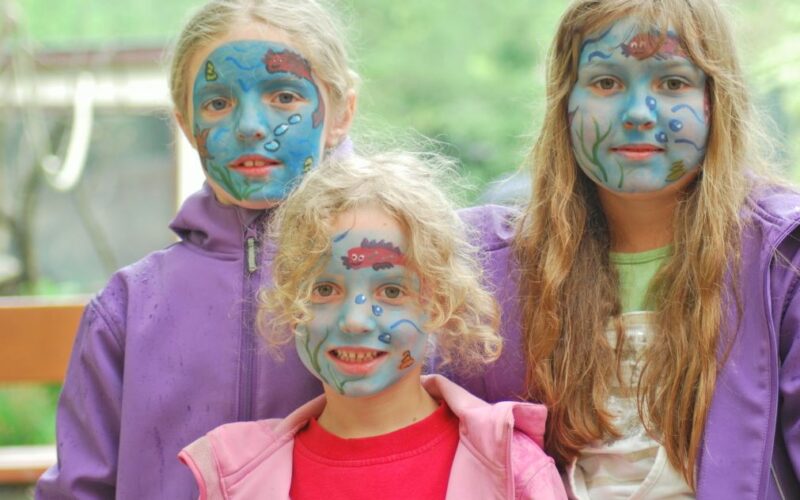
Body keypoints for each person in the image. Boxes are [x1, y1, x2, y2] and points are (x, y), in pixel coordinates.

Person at [474, 0, 800, 498]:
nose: (638, 114)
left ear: (716, 98)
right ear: (564, 99)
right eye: (607, 82)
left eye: (672, 82)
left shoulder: (784, 264)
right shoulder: (492, 272)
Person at [36, 0, 358, 497]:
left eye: (284, 95)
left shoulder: (392, 280)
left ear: (341, 113)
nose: (250, 125)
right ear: (186, 125)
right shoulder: (128, 307)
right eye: (218, 103)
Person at [178, 152, 567, 499]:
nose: (355, 320)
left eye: (391, 291)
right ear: (293, 303)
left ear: (438, 304)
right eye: (325, 289)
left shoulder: (513, 472)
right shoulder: (237, 479)